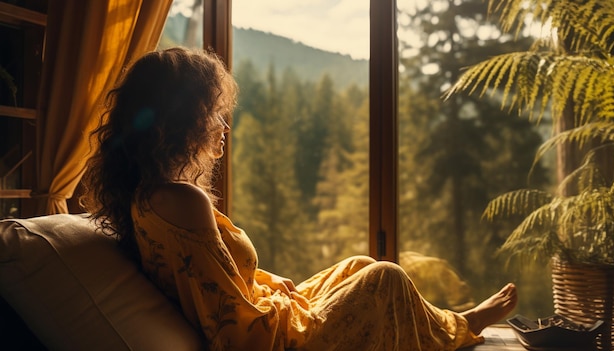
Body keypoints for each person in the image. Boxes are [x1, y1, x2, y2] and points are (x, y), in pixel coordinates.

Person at [80, 47, 517, 351]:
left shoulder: (151, 195)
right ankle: (465, 325)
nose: (222, 125)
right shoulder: (181, 200)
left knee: (359, 267)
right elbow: (232, 326)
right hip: (268, 341)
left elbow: (219, 284)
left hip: (261, 312)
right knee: (384, 276)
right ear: (182, 119)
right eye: (213, 112)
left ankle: (449, 327)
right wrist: (283, 305)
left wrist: (279, 289)